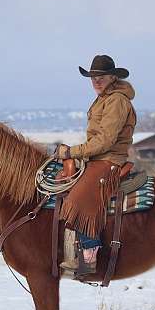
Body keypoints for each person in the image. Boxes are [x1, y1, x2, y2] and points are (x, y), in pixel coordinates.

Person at [56, 54, 136, 276]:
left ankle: (89, 254)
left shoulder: (117, 100)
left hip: (110, 159)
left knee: (79, 197)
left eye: (101, 77)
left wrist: (73, 151)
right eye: (93, 77)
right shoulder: (103, 98)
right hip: (97, 157)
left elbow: (105, 140)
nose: (96, 81)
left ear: (113, 77)